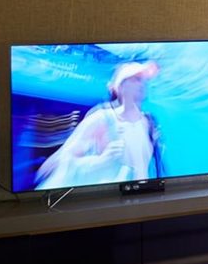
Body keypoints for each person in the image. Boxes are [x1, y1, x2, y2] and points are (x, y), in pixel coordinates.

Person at [36, 61, 165, 189]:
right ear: (120, 87)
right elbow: (63, 160)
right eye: (135, 79)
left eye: (142, 80)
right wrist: (101, 161)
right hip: (110, 201)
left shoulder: (148, 123)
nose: (141, 84)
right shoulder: (102, 118)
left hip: (140, 199)